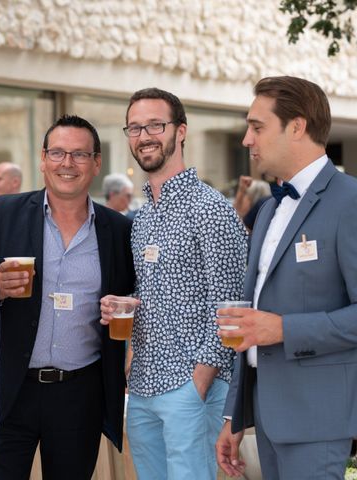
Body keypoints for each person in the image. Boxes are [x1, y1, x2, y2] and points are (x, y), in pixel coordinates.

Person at [215, 76, 357, 479]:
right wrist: (234, 415)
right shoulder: (266, 212)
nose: (247, 139)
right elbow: (251, 324)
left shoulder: (350, 202)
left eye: (257, 127)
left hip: (319, 422)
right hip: (265, 421)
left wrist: (283, 329)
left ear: (297, 127)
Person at [0, 114, 135, 479]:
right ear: (43, 158)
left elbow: (134, 296)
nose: (68, 164)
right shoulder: (4, 214)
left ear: (97, 163)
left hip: (78, 394)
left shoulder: (118, 229)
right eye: (58, 153)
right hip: (8, 389)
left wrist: (127, 311)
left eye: (80, 155)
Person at [102, 88, 247, 480]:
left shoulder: (211, 208)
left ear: (180, 131)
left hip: (191, 386)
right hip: (144, 386)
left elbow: (232, 306)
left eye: (155, 125)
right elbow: (159, 290)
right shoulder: (143, 216)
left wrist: (197, 383)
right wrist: (125, 303)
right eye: (135, 127)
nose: (144, 135)